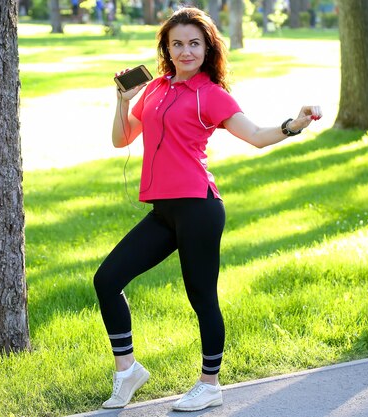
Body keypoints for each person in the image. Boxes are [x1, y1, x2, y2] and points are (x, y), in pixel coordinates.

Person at [93, 6, 322, 412]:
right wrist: (122, 100)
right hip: (163, 212)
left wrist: (294, 124)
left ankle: (210, 383)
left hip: (199, 208)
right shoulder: (155, 88)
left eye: (194, 44)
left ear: (207, 47)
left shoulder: (210, 94)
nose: (185, 51)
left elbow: (254, 135)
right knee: (107, 279)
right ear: (166, 46)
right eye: (177, 43)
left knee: (201, 296)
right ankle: (127, 370)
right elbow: (120, 139)